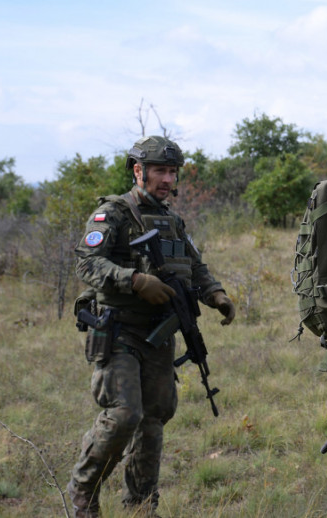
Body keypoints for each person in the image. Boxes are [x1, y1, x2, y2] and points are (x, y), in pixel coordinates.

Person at [66, 136, 235, 517]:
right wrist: (134, 280)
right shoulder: (113, 214)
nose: (167, 179)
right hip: (119, 330)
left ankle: (141, 505)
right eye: (159, 170)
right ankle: (83, 490)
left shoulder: (172, 219)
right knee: (125, 414)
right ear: (138, 171)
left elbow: (195, 265)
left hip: (159, 334)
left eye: (172, 172)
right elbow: (86, 264)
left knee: (154, 418)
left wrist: (216, 294)